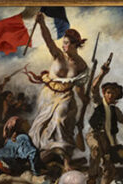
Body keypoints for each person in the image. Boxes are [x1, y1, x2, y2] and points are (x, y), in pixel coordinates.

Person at [27, 12, 89, 169]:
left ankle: (66, 160)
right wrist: (41, 24)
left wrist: (84, 99)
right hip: (48, 95)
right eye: (63, 42)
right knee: (41, 127)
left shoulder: (81, 66)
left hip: (66, 96)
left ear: (75, 44)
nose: (63, 45)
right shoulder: (58, 55)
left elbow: (79, 88)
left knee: (60, 119)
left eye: (67, 43)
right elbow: (48, 40)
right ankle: (44, 158)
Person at [86, 62, 123, 184]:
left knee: (109, 164)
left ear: (116, 96)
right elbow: (93, 87)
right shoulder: (98, 103)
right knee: (95, 150)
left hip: (108, 139)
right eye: (108, 92)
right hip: (94, 135)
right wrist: (102, 73)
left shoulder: (115, 110)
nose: (110, 95)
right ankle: (91, 177)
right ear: (104, 93)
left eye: (113, 93)